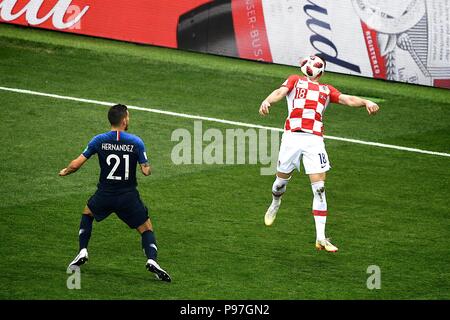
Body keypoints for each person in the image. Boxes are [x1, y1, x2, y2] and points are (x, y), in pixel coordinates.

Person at [259, 54, 379, 252]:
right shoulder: (294, 80)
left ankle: (321, 237)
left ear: (319, 69)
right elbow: (280, 92)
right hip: (292, 137)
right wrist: (267, 101)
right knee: (280, 182)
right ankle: (275, 202)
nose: (309, 66)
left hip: (314, 140)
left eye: (312, 64)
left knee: (320, 188)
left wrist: (366, 101)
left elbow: (347, 99)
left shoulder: (327, 89)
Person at [59, 104, 171, 281]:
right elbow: (145, 171)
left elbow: (76, 164)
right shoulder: (136, 142)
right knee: (146, 228)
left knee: (87, 213)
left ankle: (82, 251)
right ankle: (152, 260)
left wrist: (66, 171)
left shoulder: (98, 140)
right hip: (128, 197)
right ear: (124, 120)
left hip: (105, 194)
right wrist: (147, 166)